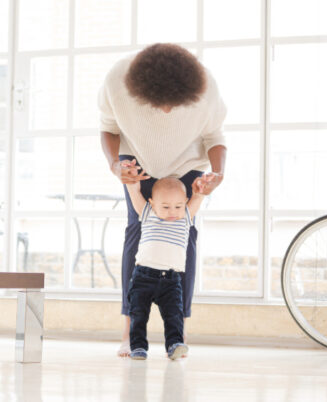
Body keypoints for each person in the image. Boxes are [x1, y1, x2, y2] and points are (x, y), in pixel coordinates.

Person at [97, 43, 227, 357]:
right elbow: (108, 128)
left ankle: (178, 333)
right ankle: (130, 331)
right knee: (137, 232)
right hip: (138, 162)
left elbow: (215, 137)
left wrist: (219, 172)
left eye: (175, 105)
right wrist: (116, 166)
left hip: (186, 165)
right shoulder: (117, 82)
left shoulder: (206, 89)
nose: (168, 111)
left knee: (185, 235)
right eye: (160, 105)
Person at [124, 174, 211, 360]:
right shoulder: (148, 213)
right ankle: (138, 346)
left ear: (185, 203)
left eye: (178, 206)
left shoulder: (185, 217)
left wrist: (202, 189)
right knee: (138, 314)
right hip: (143, 276)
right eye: (165, 206)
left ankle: (174, 344)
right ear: (152, 203)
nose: (173, 211)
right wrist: (132, 182)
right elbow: (134, 192)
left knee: (174, 315)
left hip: (171, 279)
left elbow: (199, 196)